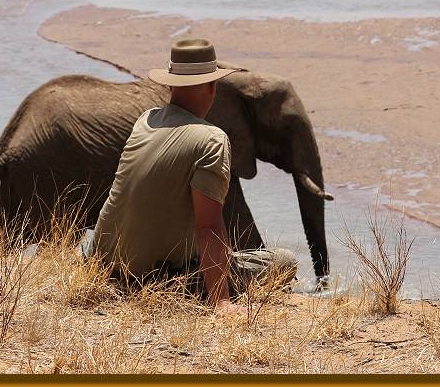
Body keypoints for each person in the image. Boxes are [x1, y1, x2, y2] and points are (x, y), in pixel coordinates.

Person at [88, 39, 297, 313]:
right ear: (211, 88)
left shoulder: (146, 120)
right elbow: (208, 228)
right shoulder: (212, 139)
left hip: (102, 265)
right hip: (156, 279)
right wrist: (220, 300)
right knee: (284, 260)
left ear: (170, 84)